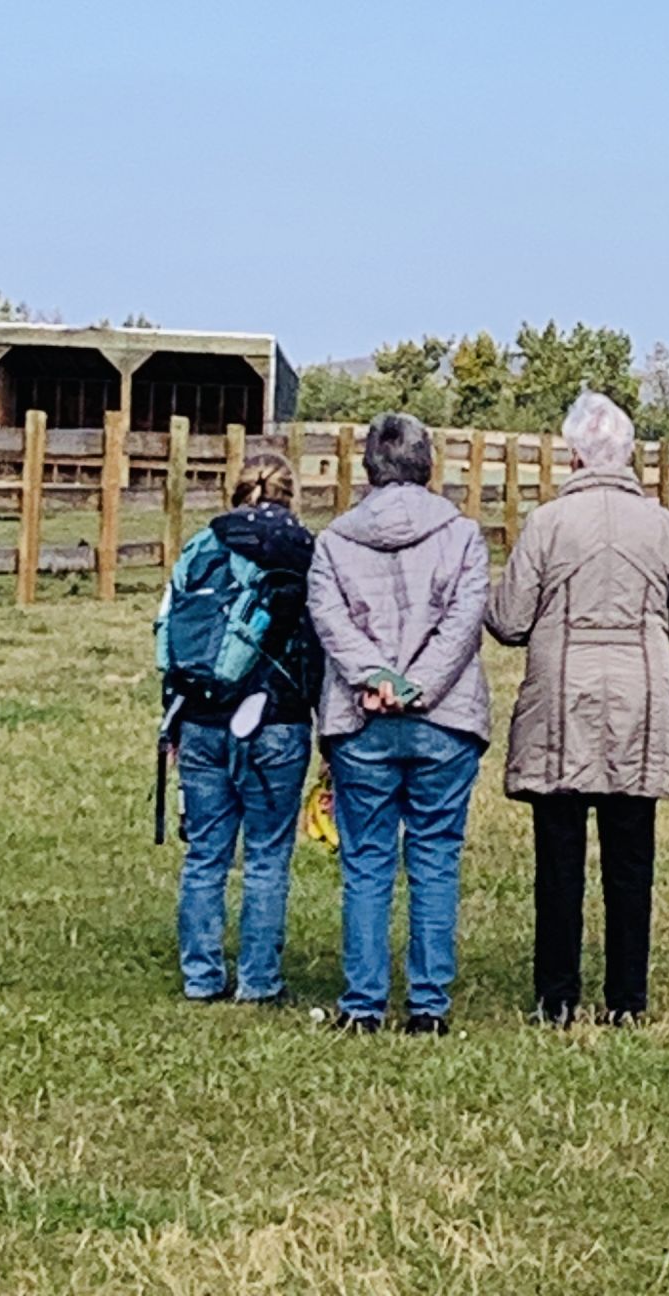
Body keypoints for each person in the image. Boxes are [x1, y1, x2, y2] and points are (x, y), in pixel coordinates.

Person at [486, 391, 669, 1027]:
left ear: (574, 453)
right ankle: (627, 1000)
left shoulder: (547, 524)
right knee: (631, 853)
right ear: (629, 454)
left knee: (558, 854)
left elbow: (508, 619)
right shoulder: (660, 524)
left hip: (562, 696)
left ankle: (556, 996)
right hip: (637, 698)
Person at [307, 411, 490, 1036]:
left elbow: (331, 624)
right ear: (427, 463)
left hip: (362, 724)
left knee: (367, 861)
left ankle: (363, 1004)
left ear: (369, 467)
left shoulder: (333, 542)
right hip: (446, 721)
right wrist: (417, 688)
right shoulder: (463, 536)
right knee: (436, 856)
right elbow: (463, 625)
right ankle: (428, 1006)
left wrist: (377, 681)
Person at [166, 453, 322, 1004]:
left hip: (202, 716)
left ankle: (201, 977)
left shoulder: (200, 547)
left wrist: (172, 724)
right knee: (267, 856)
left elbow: (170, 634)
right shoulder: (307, 551)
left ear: (232, 491)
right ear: (291, 494)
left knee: (205, 854)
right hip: (277, 721)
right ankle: (258, 981)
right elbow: (319, 643)